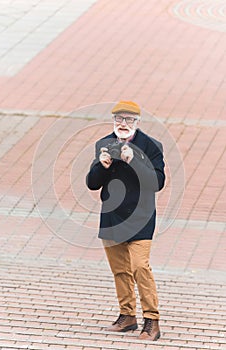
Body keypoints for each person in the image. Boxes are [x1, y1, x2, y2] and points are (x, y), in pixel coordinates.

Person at [86, 101, 165, 341]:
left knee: (140, 267)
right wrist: (101, 166)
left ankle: (152, 321)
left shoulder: (151, 146)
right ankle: (127, 316)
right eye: (119, 118)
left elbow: (157, 183)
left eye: (129, 120)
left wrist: (135, 161)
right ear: (113, 120)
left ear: (137, 123)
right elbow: (92, 183)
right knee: (120, 271)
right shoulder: (103, 144)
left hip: (140, 217)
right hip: (112, 217)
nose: (123, 124)